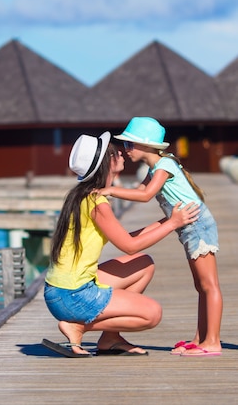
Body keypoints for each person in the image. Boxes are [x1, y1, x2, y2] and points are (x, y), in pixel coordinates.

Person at [42, 131, 199, 358]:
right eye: (117, 152)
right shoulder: (97, 202)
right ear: (109, 162)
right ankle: (78, 327)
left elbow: (125, 238)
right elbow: (130, 246)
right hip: (72, 295)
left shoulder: (83, 195)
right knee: (152, 313)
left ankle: (110, 337)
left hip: (62, 289)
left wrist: (167, 222)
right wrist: (173, 223)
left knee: (143, 264)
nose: (123, 153)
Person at [100, 116, 223, 357]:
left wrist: (110, 190)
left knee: (209, 285)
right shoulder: (156, 167)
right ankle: (200, 338)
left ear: (145, 145)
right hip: (188, 227)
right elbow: (138, 190)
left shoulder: (164, 166)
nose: (126, 150)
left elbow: (146, 195)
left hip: (198, 226)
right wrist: (111, 190)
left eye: (129, 144)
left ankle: (213, 341)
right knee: (200, 286)